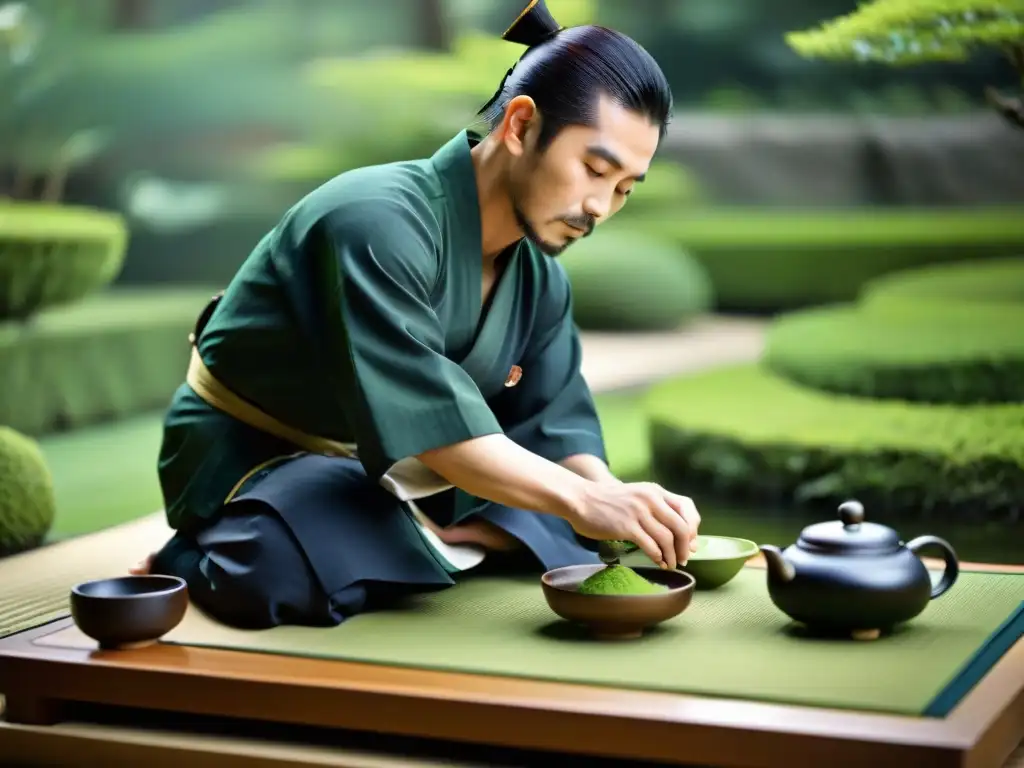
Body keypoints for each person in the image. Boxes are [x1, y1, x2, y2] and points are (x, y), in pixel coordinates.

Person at [131, 0, 702, 629]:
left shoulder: (539, 277)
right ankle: (195, 551)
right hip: (263, 455)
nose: (599, 205)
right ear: (519, 125)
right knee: (275, 566)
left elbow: (551, 422)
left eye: (624, 188)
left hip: (408, 475)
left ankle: (427, 537)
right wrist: (581, 500)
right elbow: (435, 428)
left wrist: (610, 494)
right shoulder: (373, 222)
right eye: (594, 169)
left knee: (567, 516)